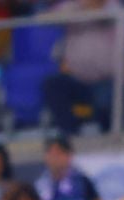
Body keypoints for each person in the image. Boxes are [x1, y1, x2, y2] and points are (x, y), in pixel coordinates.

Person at [42, 0, 118, 131]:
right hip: (77, 77)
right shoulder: (73, 6)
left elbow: (109, 14)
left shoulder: (113, 5)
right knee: (53, 85)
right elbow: (45, 18)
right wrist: (78, 9)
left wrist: (85, 11)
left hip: (107, 79)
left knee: (104, 102)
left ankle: (108, 139)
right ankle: (70, 135)